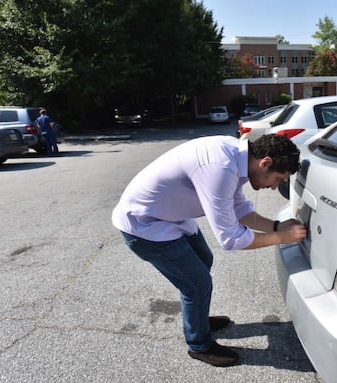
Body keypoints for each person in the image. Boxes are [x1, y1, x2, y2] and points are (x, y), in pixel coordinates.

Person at [111, 134, 307, 367]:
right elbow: (231, 238)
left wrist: (276, 226)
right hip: (144, 225)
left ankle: (198, 319)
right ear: (265, 162)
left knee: (204, 259)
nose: (274, 187)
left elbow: (238, 208)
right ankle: (198, 344)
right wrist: (280, 237)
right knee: (196, 283)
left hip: (169, 217)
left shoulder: (237, 158)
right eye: (277, 179)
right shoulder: (220, 168)